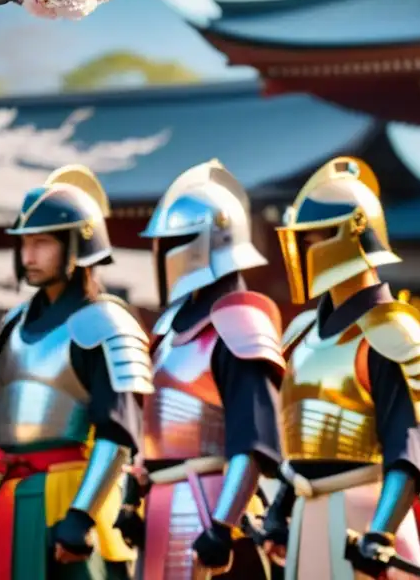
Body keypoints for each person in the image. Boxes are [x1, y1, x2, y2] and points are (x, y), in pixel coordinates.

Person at [0, 165, 154, 580]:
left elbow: (117, 436)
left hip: (70, 500)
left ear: (78, 245)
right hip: (9, 501)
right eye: (24, 244)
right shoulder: (14, 325)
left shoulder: (107, 325)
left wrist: (82, 514)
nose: (28, 257)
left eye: (41, 243)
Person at [258, 156, 420, 580]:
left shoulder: (394, 333)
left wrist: (381, 533)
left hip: (365, 525)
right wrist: (279, 509)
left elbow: (408, 456)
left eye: (313, 238)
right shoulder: (303, 332)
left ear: (350, 234)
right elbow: (302, 453)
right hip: (308, 522)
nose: (303, 250)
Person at [113, 160, 284, 579]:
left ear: (207, 242)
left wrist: (222, 525)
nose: (162, 255)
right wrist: (132, 498)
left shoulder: (241, 324)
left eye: (173, 242)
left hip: (213, 506)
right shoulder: (169, 326)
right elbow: (150, 428)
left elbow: (255, 441)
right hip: (164, 509)